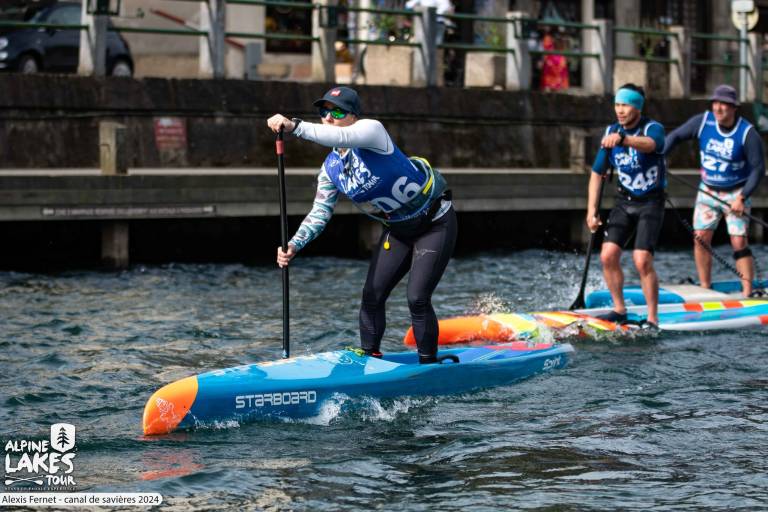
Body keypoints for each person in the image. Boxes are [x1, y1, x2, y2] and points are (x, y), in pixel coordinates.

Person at [267, 86, 457, 364]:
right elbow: (320, 212)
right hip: (399, 231)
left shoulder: (372, 131)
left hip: (435, 223)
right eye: (324, 112)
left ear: (354, 116)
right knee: (372, 296)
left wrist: (294, 126)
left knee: (417, 298)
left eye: (337, 112)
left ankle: (429, 364)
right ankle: (370, 358)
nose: (328, 117)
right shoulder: (330, 169)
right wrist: (294, 244)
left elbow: (340, 136)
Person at [664, 84, 764, 297]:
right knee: (700, 238)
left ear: (734, 107)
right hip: (707, 191)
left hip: (736, 193)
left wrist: (742, 197)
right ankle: (705, 286)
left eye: (724, 104)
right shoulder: (703, 122)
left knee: (738, 241)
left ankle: (748, 291)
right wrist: (660, 156)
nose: (718, 108)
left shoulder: (747, 133)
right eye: (715, 103)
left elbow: (758, 169)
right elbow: (676, 136)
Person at [586, 84, 666, 328]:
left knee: (642, 260)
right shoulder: (611, 132)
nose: (620, 110)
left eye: (626, 105)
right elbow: (597, 173)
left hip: (651, 203)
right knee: (607, 256)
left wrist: (624, 140)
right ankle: (619, 309)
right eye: (617, 105)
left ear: (637, 108)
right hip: (624, 202)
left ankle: (652, 318)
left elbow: (652, 144)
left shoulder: (653, 128)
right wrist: (591, 211)